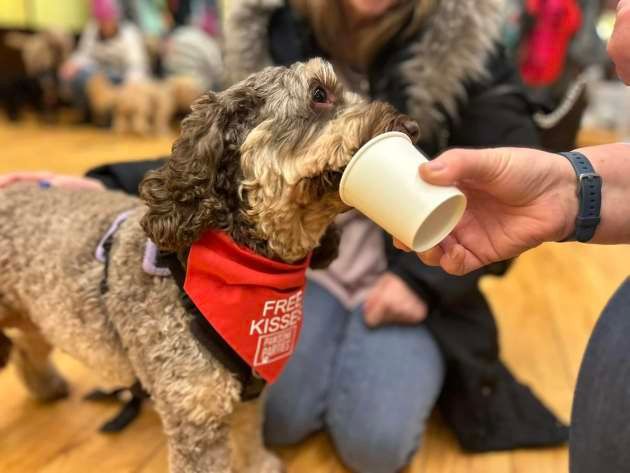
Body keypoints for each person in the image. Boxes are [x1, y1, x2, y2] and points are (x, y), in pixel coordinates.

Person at [1, 0, 569, 471]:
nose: (363, 117)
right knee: (278, 411)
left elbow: (506, 192)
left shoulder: (471, 40)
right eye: (322, 101)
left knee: (376, 443)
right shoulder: (274, 25)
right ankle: (35, 364)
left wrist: (421, 285)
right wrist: (96, 181)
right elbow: (215, 154)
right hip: (295, 273)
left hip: (414, 275)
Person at [392, 3, 630, 471]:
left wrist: (418, 285)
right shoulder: (274, 36)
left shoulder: (469, 47)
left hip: (422, 284)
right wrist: (568, 189)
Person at [58, 0, 149, 116]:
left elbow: (137, 66)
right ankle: (87, 112)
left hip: (121, 81)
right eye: (101, 21)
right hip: (98, 76)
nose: (105, 24)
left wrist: (131, 85)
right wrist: (72, 64)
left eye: (108, 20)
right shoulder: (92, 29)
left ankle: (112, 114)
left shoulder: (129, 34)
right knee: (79, 75)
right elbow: (84, 54)